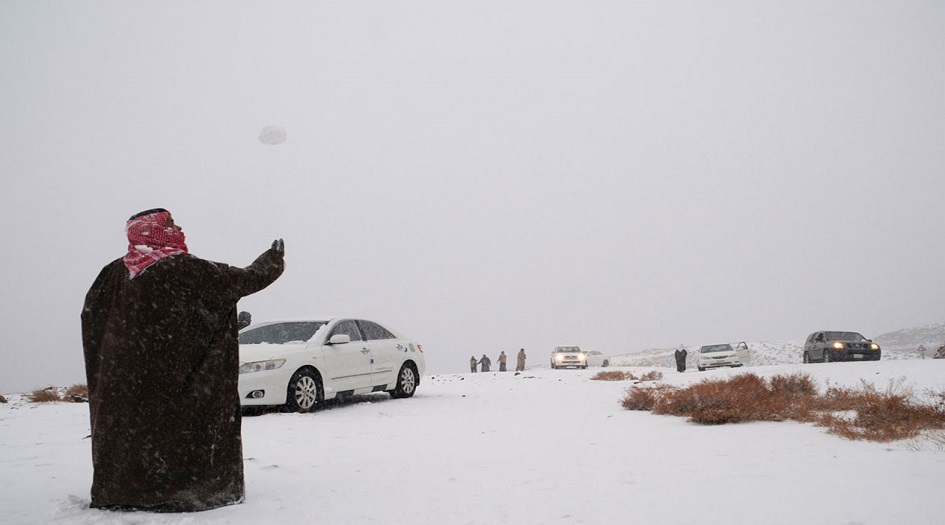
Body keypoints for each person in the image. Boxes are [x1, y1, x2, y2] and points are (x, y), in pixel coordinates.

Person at [81, 208, 285, 512]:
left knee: (136, 436)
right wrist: (272, 260)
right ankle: (177, 490)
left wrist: (118, 361)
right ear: (154, 232)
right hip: (174, 377)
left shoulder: (113, 273)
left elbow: (92, 317)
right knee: (178, 433)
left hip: (127, 384)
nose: (180, 228)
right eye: (172, 224)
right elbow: (241, 281)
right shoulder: (182, 268)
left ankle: (128, 489)